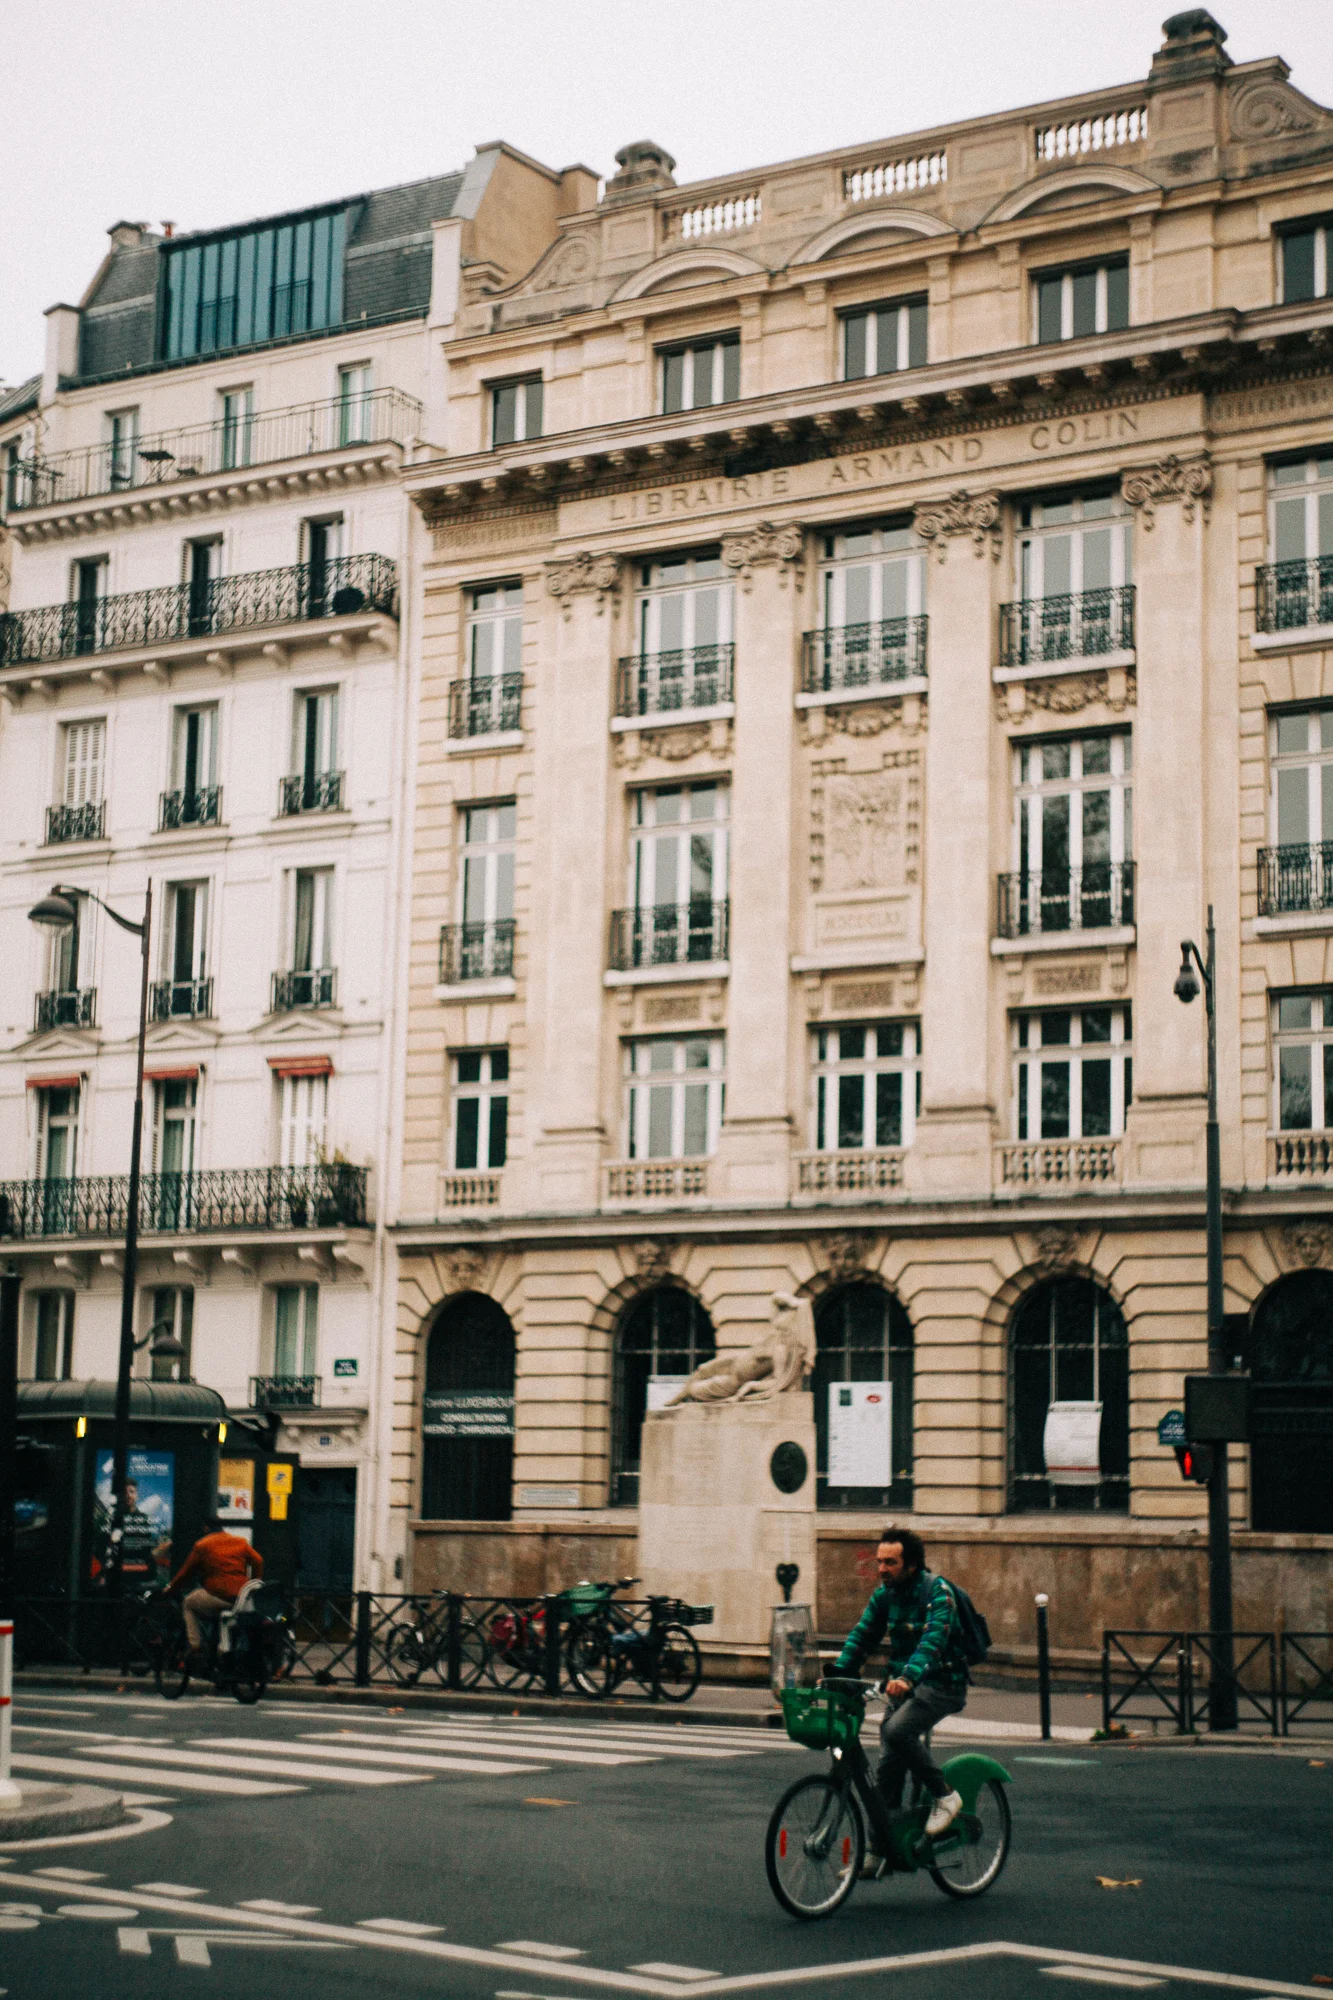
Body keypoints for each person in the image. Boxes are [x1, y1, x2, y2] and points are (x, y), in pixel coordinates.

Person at [832, 1525, 970, 1864]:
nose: (882, 1569)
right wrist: (837, 1675)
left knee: (897, 1730)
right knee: (887, 1764)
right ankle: (883, 1845)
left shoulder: (937, 1592)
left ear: (911, 1565)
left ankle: (945, 1796)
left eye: (890, 1563)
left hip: (942, 1682)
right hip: (904, 1686)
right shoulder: (885, 1595)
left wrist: (908, 1677)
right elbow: (862, 1636)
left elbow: (932, 1642)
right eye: (880, 1562)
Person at [165, 1516, 264, 1658]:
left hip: (218, 1596)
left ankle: (195, 1646)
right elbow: (258, 1560)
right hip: (240, 1599)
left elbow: (185, 1573)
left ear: (206, 1528)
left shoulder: (203, 1544)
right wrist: (254, 1583)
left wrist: (170, 1589)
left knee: (188, 1604)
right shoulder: (239, 1542)